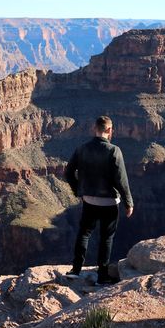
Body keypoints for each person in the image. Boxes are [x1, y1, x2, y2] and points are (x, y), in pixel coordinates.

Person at [63, 116, 133, 285]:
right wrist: (128, 202)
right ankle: (103, 276)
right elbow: (121, 179)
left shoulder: (82, 149)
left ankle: (75, 269)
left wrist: (78, 190)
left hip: (89, 200)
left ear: (95, 129)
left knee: (84, 233)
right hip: (109, 202)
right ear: (109, 130)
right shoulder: (114, 150)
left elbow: (68, 172)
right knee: (106, 238)